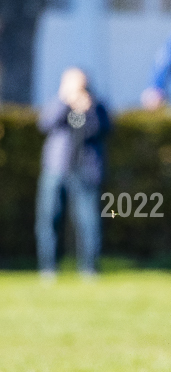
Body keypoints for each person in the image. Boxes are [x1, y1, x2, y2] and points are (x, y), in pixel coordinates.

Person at [36, 67, 110, 278]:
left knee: (88, 221)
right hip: (57, 167)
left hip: (85, 169)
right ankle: (48, 268)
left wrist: (88, 109)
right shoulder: (58, 103)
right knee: (49, 218)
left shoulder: (96, 106)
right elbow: (45, 123)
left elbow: (100, 130)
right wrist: (65, 102)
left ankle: (89, 268)